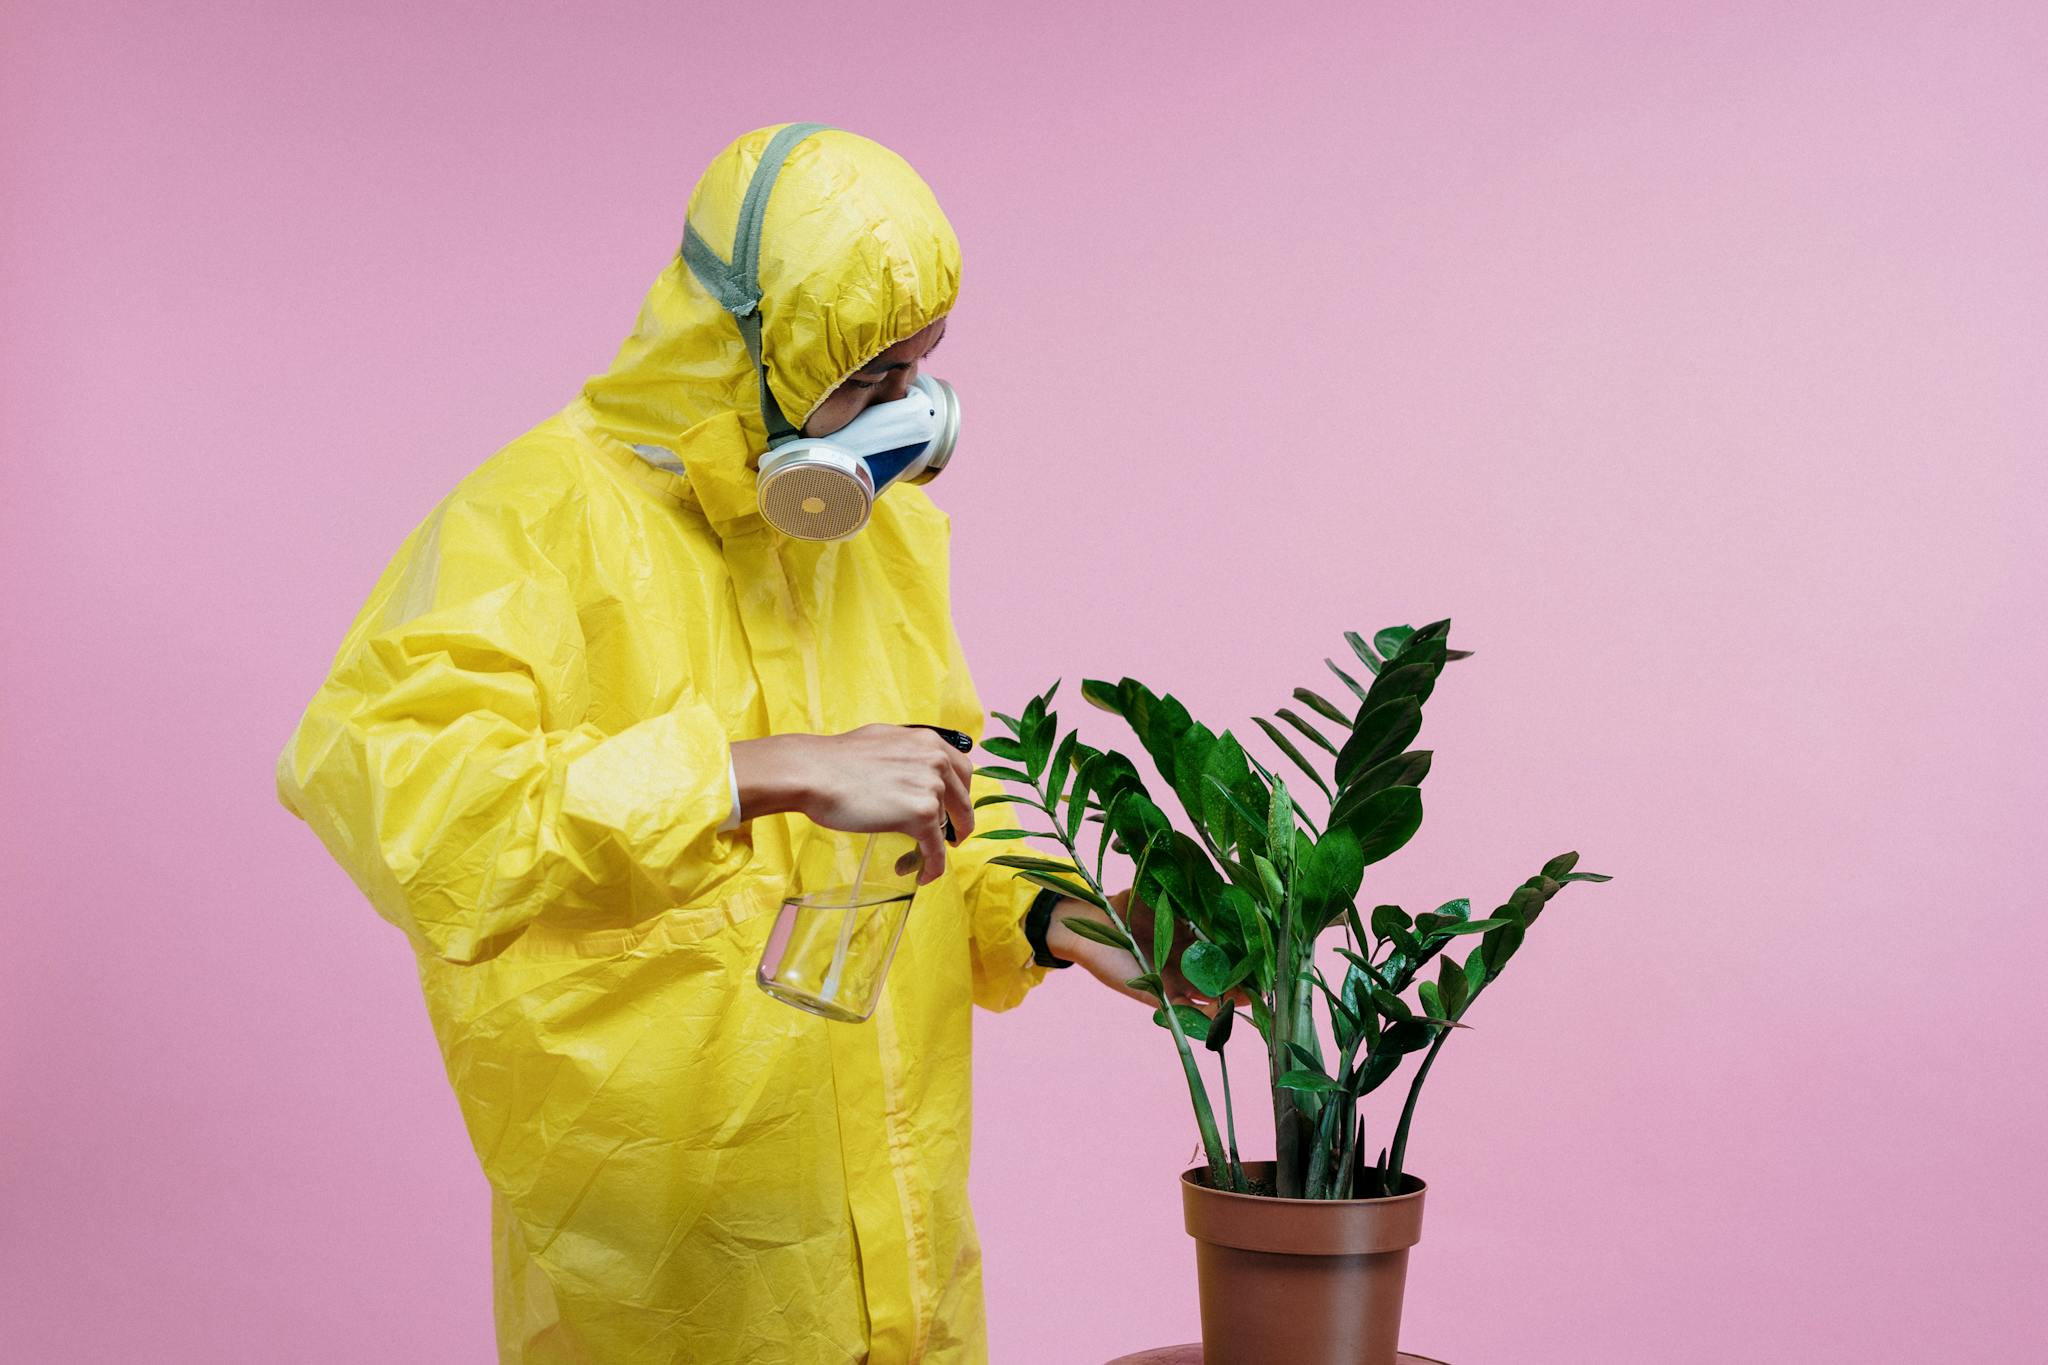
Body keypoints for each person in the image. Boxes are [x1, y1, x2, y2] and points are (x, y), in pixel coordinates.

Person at [276, 124, 1200, 1364]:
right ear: (746, 342)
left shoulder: (877, 541)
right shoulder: (534, 523)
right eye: (867, 380)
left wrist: (1055, 922)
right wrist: (753, 771)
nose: (905, 416)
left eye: (919, 373)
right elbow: (415, 811)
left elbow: (930, 813)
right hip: (667, 1262)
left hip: (898, 1241)